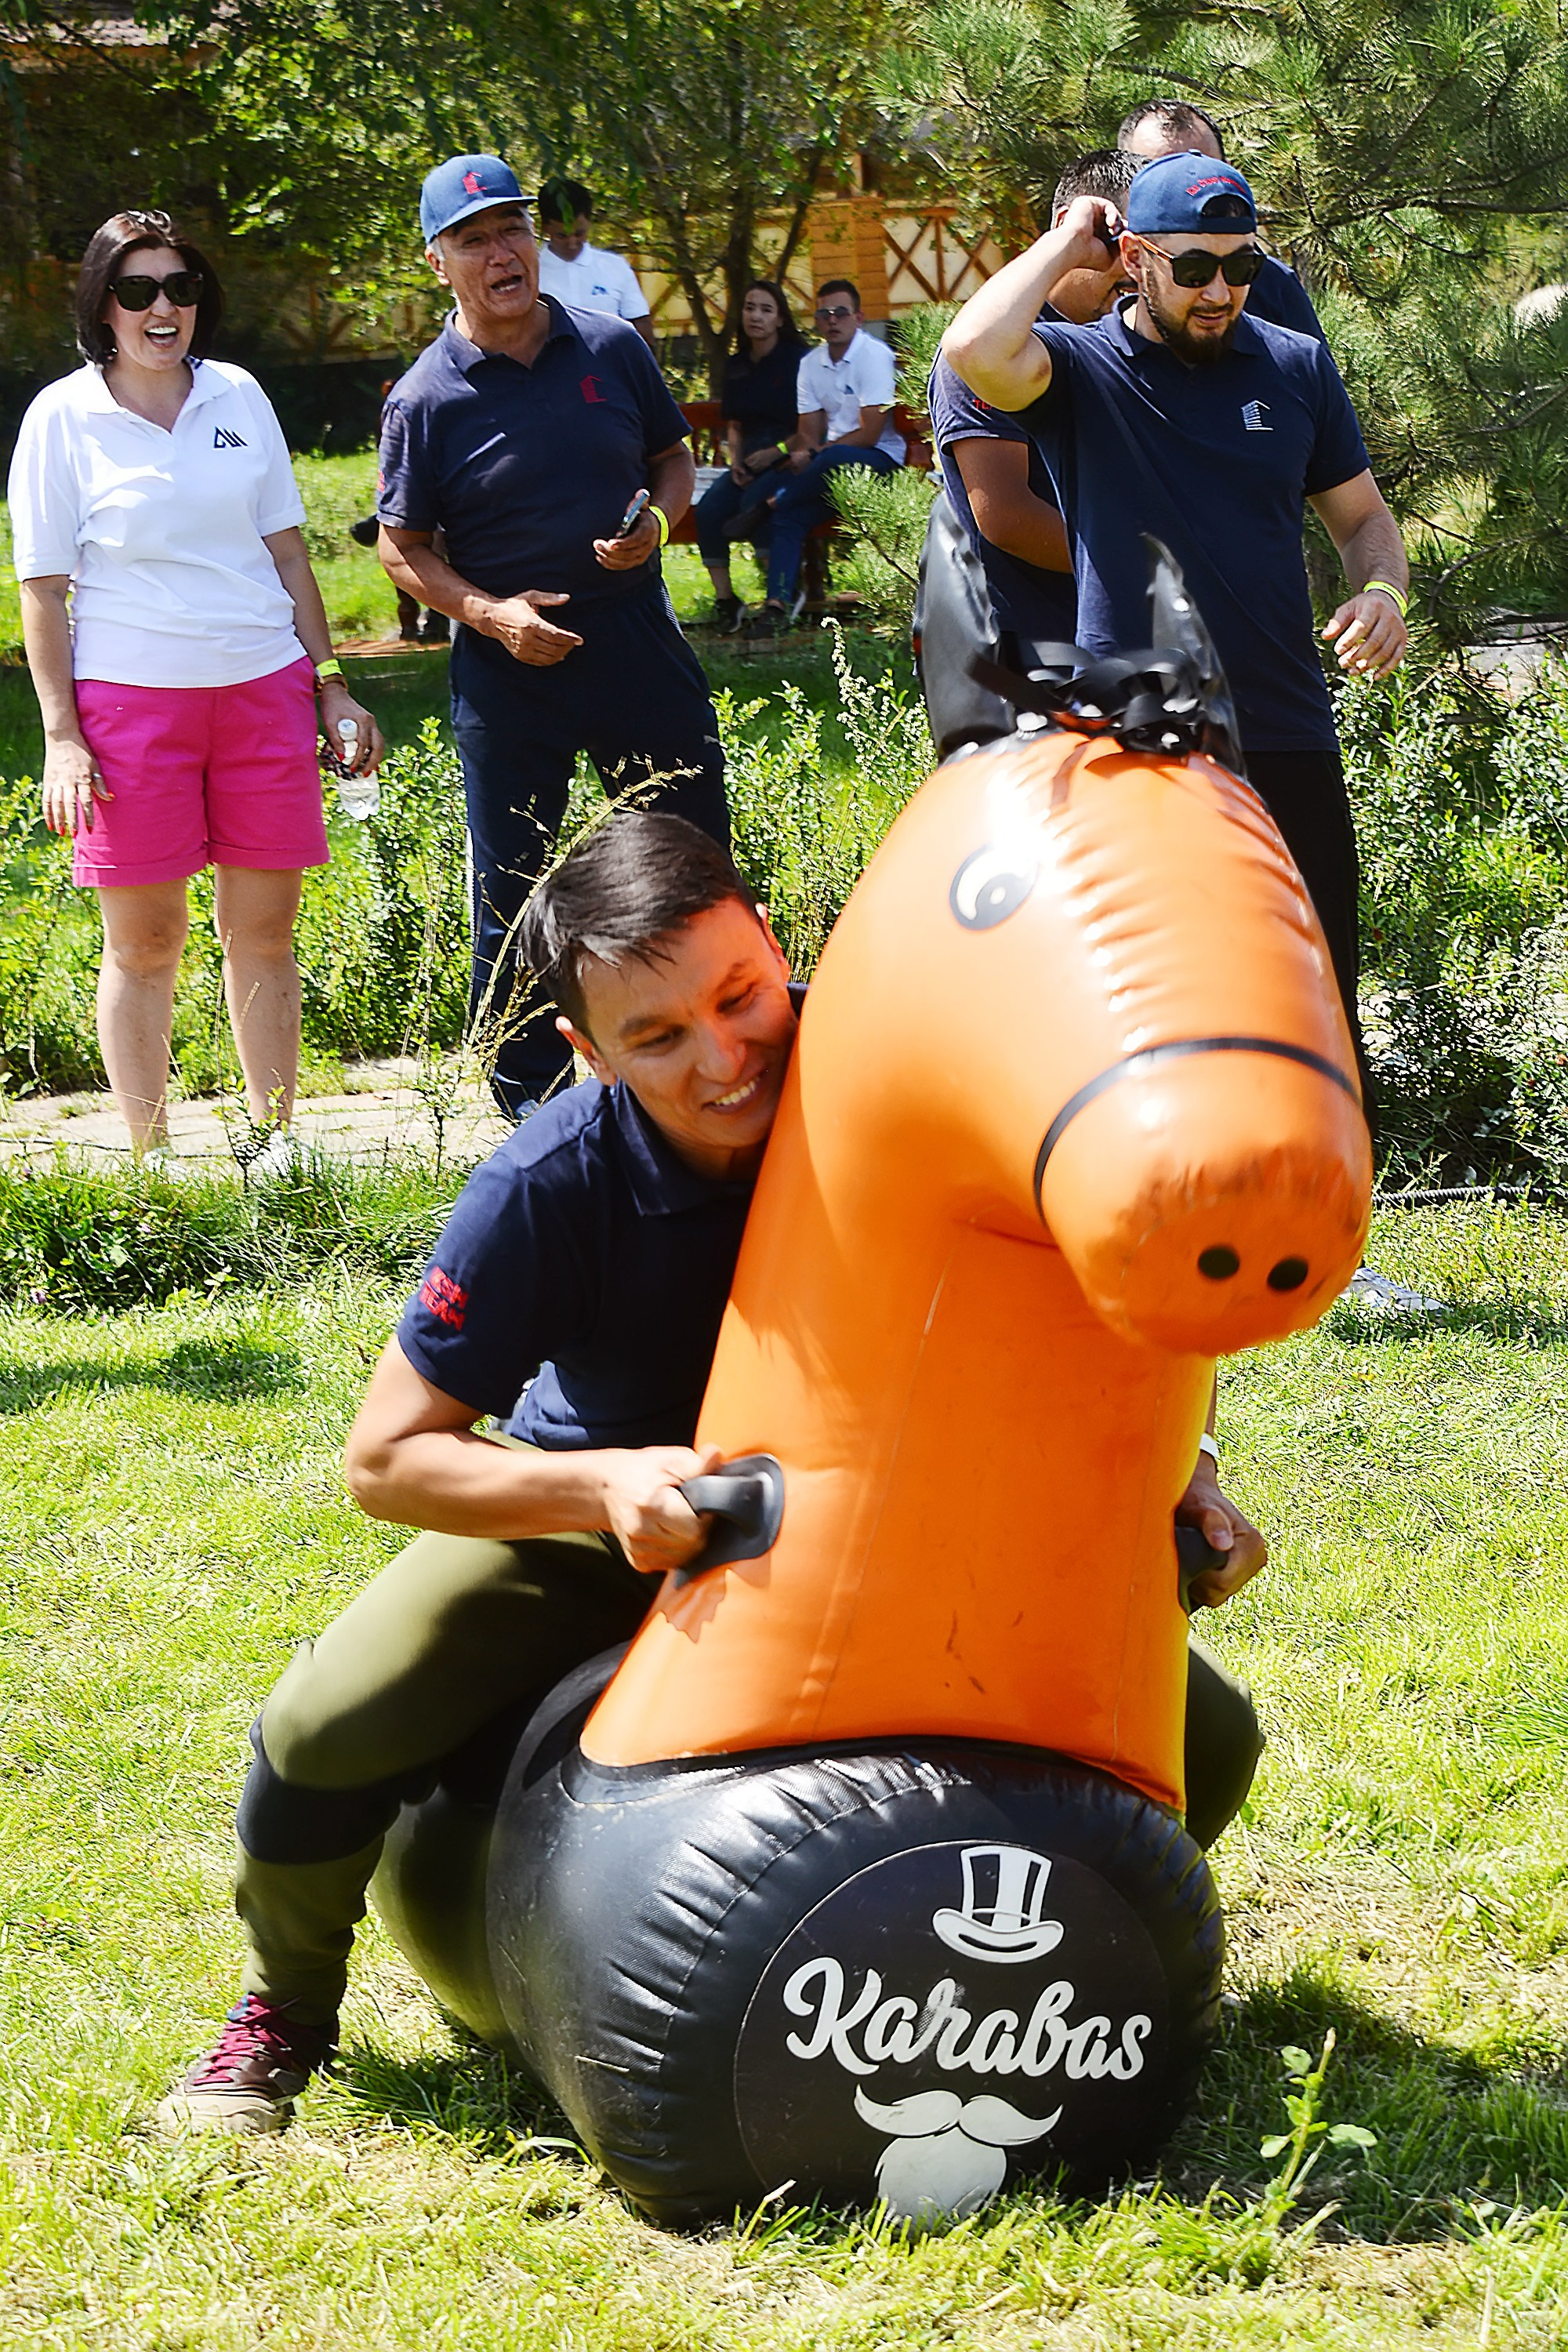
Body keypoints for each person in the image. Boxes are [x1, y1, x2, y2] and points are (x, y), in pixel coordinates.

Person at [154, 808, 1268, 2138]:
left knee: (1211, 1738)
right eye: (659, 1038)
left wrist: (1189, 1473)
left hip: (886, 1516)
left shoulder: (907, 1079)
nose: (725, 1057)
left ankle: (1043, 1951)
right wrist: (603, 1490)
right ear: (587, 1053)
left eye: (741, 997)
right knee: (327, 1721)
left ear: (776, 946)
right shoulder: (550, 1184)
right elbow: (388, 1458)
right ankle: (280, 2017)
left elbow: (1098, 1294)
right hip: (624, 1519)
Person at [942, 152, 1410, 1081]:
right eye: (1192, 268)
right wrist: (1063, 240)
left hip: (1282, 731)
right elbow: (972, 349)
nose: (1219, 291)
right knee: (1155, 1016)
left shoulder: (1294, 366)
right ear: (1136, 260)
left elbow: (1363, 520)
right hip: (1139, 744)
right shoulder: (1077, 372)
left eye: (1238, 266)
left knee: (1315, 1005)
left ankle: (1323, 1211)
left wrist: (1381, 591)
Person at [7, 209, 383, 1167]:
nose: (163, 307)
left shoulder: (239, 395)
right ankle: (150, 1168)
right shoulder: (61, 418)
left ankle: (278, 1155)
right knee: (144, 945)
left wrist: (328, 686)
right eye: (138, 291)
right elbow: (44, 594)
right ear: (104, 306)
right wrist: (62, 737)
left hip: (264, 694)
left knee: (263, 934)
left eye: (180, 287)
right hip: (131, 712)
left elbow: (288, 553)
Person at [373, 154, 731, 1120]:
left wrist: (656, 527)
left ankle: (716, 1053)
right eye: (474, 240)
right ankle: (528, 1108)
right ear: (438, 262)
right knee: (514, 886)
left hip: (633, 641)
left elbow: (670, 456)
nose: (502, 253)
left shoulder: (610, 346)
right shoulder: (424, 398)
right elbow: (401, 549)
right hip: (508, 669)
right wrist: (490, 614)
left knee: (690, 858)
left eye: (512, 232)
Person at [925, 148, 1139, 670]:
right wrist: (1147, 566)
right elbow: (1006, 515)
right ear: (1071, 228)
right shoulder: (994, 345)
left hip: (1118, 643)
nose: (1133, 263)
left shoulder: (1133, 331)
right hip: (1020, 656)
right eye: (1118, 241)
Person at [746, 279, 906, 633]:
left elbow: (870, 433)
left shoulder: (874, 355)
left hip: (879, 461)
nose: (832, 320)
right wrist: (804, 453)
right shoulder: (811, 363)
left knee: (827, 462)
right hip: (825, 469)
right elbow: (808, 433)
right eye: (824, 313)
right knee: (790, 515)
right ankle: (778, 605)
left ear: (859, 318)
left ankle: (771, 502)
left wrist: (814, 454)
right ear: (816, 320)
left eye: (841, 313)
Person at [1117, 100, 1327, 344]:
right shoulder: (1087, 279)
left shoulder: (1271, 284)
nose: (1218, 295)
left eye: (1237, 270)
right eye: (1160, 174)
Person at [694, 280, 807, 632]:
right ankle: (727, 602)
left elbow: (809, 426)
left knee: (757, 503)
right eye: (749, 307)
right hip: (749, 458)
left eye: (766, 310)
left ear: (779, 319)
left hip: (789, 453)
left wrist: (778, 452)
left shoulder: (798, 360)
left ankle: (784, 593)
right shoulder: (737, 365)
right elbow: (735, 424)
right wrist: (737, 463)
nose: (755, 316)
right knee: (710, 508)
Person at [534, 176, 656, 348]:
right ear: (545, 227)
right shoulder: (531, 273)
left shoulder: (615, 267)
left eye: (579, 234)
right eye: (562, 235)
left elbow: (641, 327)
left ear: (590, 223)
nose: (572, 243)